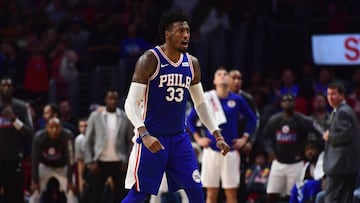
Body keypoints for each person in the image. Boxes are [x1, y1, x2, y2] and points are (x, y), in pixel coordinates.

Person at [122, 8, 230, 203]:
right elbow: (130, 103)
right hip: (152, 137)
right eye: (180, 31)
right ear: (168, 34)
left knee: (196, 190)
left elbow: (201, 103)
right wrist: (144, 134)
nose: (186, 35)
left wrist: (216, 133)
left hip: (179, 139)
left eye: (187, 31)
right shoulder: (149, 59)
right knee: (139, 195)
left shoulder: (192, 64)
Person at [187, 67, 257, 203]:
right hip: (211, 151)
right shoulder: (207, 98)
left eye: (225, 74)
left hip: (231, 151)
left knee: (231, 194)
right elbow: (189, 120)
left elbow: (252, 119)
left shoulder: (237, 99)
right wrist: (198, 138)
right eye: (219, 74)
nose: (223, 76)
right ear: (214, 80)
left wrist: (244, 138)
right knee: (211, 193)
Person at [263, 93, 322, 203]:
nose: (287, 103)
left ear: (295, 104)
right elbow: (265, 137)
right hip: (278, 163)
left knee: (293, 196)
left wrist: (309, 149)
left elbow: (319, 132)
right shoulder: (274, 120)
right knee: (271, 195)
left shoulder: (303, 120)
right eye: (285, 101)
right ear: (281, 104)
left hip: (296, 164)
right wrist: (270, 151)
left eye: (290, 101)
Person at [84, 88, 134, 203]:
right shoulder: (95, 116)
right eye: (110, 99)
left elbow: (131, 141)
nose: (112, 101)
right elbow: (88, 141)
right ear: (105, 100)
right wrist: (89, 162)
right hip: (99, 162)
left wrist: (127, 161)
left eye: (115, 99)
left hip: (119, 162)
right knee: (95, 195)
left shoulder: (124, 117)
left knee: (119, 195)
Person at [322, 82, 360, 203]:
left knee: (331, 199)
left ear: (342, 95)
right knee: (345, 200)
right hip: (346, 166)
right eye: (328, 94)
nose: (330, 97)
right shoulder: (344, 110)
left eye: (333, 94)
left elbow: (345, 135)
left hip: (339, 166)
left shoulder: (343, 112)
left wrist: (329, 137)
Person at [0, 76, 33, 203]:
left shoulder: (22, 107)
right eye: (3, 85)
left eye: (9, 86)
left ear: (13, 88)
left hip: (13, 158)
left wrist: (14, 119)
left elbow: (30, 132)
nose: (6, 88)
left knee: (14, 197)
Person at [31, 117, 76, 203]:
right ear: (46, 128)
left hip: (62, 168)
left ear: (61, 128)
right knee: (35, 192)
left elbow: (71, 159)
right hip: (44, 167)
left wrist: (70, 181)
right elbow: (35, 160)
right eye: (51, 127)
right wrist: (35, 180)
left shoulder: (68, 136)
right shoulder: (38, 138)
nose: (54, 130)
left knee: (71, 192)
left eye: (57, 127)